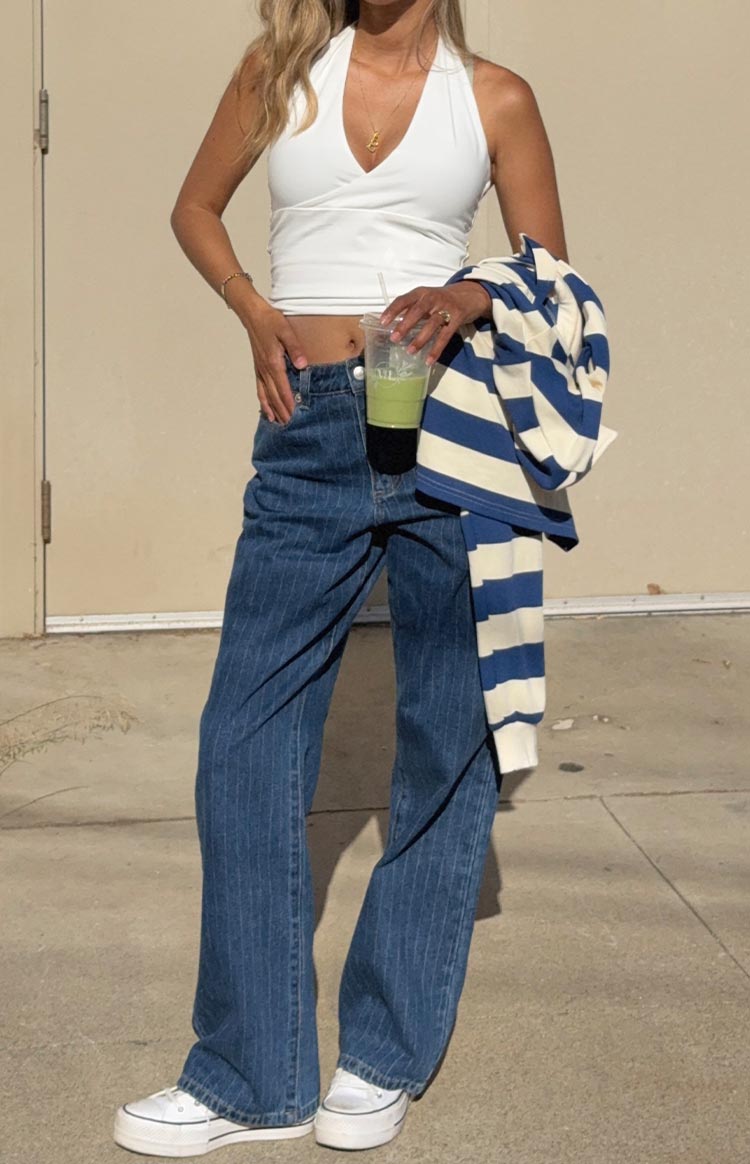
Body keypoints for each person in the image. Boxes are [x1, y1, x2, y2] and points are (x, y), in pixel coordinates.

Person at [114, 0, 568, 1155]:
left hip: (454, 431)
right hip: (307, 433)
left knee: (444, 739)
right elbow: (193, 207)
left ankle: (380, 1053)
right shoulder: (282, 67)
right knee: (244, 740)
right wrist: (254, 312)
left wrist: (471, 295)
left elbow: (550, 283)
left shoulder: (497, 97)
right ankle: (248, 1076)